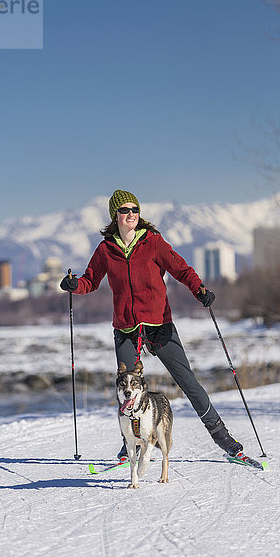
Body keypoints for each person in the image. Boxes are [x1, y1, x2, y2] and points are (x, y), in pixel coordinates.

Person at [60, 189, 243, 459]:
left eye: (135, 210)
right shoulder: (105, 250)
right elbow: (90, 281)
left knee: (188, 382)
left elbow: (182, 269)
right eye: (125, 210)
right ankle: (129, 442)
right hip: (125, 328)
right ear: (115, 216)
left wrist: (200, 290)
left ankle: (222, 436)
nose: (131, 214)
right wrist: (75, 286)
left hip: (159, 325)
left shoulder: (153, 243)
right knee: (126, 389)